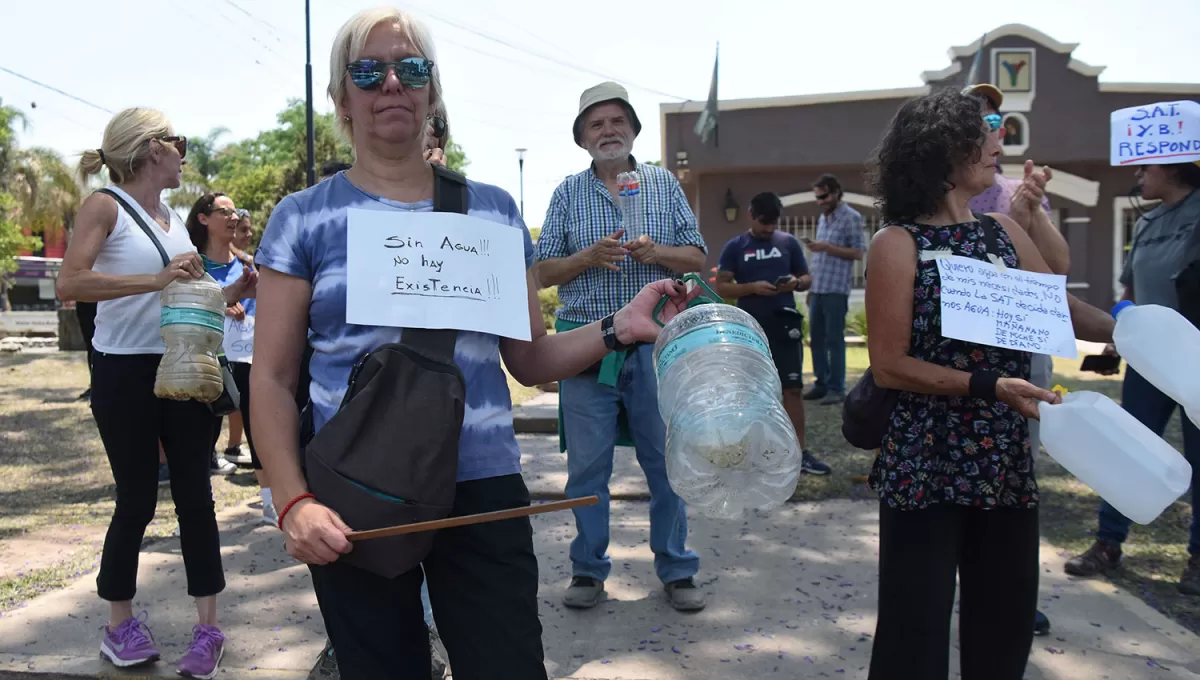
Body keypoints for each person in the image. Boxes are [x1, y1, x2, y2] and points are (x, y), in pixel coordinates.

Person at [248, 8, 700, 679]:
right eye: (368, 71)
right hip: (358, 490)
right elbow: (273, 379)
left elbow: (530, 358)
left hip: (483, 485)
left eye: (412, 68)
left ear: (433, 88)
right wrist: (293, 501)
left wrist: (620, 327)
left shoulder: (491, 212)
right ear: (343, 99)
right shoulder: (302, 217)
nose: (392, 83)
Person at [862, 88, 1115, 679]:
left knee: (1003, 620)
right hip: (926, 458)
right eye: (985, 132)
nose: (998, 141)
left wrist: (1132, 331)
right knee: (913, 627)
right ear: (942, 150)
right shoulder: (897, 245)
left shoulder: (1001, 230)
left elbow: (1060, 308)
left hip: (1000, 454)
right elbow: (889, 365)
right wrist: (987, 386)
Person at [56, 107, 255, 678]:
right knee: (137, 498)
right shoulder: (105, 205)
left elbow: (177, 299)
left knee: (197, 495)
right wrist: (157, 278)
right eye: (178, 142)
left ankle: (207, 630)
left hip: (183, 364)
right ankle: (120, 627)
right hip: (123, 374)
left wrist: (234, 288)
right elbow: (70, 281)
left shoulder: (169, 218)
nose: (184, 152)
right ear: (149, 150)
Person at [534, 80, 707, 612]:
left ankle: (676, 568)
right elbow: (538, 271)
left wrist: (659, 251)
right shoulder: (567, 192)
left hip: (656, 346)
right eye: (595, 123)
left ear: (632, 129)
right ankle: (587, 570)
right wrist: (585, 257)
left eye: (616, 121)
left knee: (666, 462)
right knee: (588, 469)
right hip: (587, 348)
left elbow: (697, 257)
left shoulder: (662, 184)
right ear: (582, 138)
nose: (607, 131)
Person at [1064, 156, 1200, 593]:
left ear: (1175, 168)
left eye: (1146, 169)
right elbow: (1131, 289)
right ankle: (1108, 544)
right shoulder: (1145, 223)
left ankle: (1198, 560)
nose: (1138, 177)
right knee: (1126, 446)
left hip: (1194, 356)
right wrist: (1113, 339)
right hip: (1148, 357)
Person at [964, 82, 1068, 638]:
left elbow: (1054, 270)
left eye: (995, 117)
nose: (992, 127)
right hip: (962, 367)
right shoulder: (929, 200)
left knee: (1017, 476)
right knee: (967, 485)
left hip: (1023, 353)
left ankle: (1014, 596)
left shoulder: (1014, 190)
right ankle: (964, 587)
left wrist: (1032, 213)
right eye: (979, 116)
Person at [715, 191, 830, 476]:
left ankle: (799, 453)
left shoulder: (788, 243)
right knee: (752, 391)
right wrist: (751, 288)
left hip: (785, 324)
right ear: (751, 216)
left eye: (773, 222)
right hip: (750, 329)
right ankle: (754, 454)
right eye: (764, 222)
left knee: (792, 388)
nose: (769, 228)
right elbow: (723, 287)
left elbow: (806, 278)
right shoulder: (736, 246)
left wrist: (795, 282)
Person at [186, 193, 275, 524]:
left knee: (258, 426)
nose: (234, 216)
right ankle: (198, 509)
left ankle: (269, 501)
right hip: (205, 358)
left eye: (235, 211)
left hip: (249, 356)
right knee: (202, 433)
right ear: (204, 219)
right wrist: (222, 305)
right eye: (225, 211)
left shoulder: (247, 263)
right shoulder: (192, 264)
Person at [803, 173, 866, 406]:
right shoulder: (823, 218)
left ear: (837, 192)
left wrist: (827, 247)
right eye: (818, 197)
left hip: (837, 289)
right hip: (819, 288)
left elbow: (859, 252)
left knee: (834, 339)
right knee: (816, 338)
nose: (821, 201)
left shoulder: (851, 217)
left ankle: (837, 387)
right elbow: (819, 259)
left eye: (825, 196)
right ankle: (821, 383)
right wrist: (811, 289)